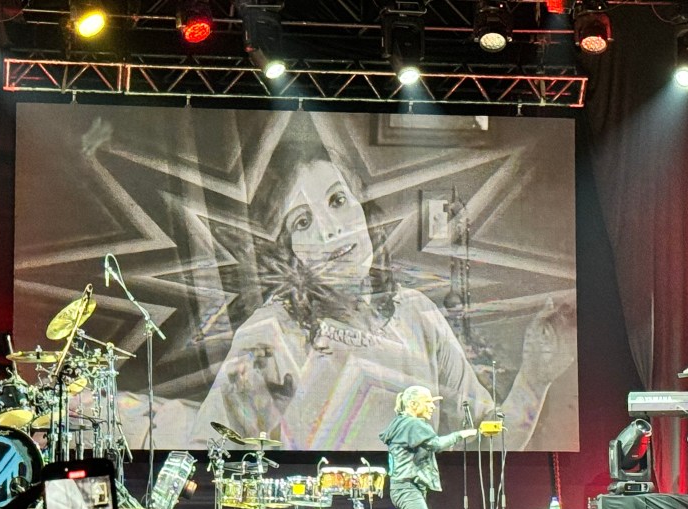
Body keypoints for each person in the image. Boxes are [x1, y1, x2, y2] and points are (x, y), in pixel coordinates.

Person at [189, 141, 575, 450]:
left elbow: (487, 446)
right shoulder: (271, 334)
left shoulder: (418, 314)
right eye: (303, 222)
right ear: (290, 251)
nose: (331, 230)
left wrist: (534, 379)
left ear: (363, 208)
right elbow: (210, 450)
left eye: (337, 201)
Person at [379, 385, 477, 509]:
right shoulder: (413, 424)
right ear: (413, 404)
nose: (433, 407)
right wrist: (460, 434)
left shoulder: (401, 422)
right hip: (408, 488)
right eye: (428, 402)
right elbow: (436, 444)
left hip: (400, 488)